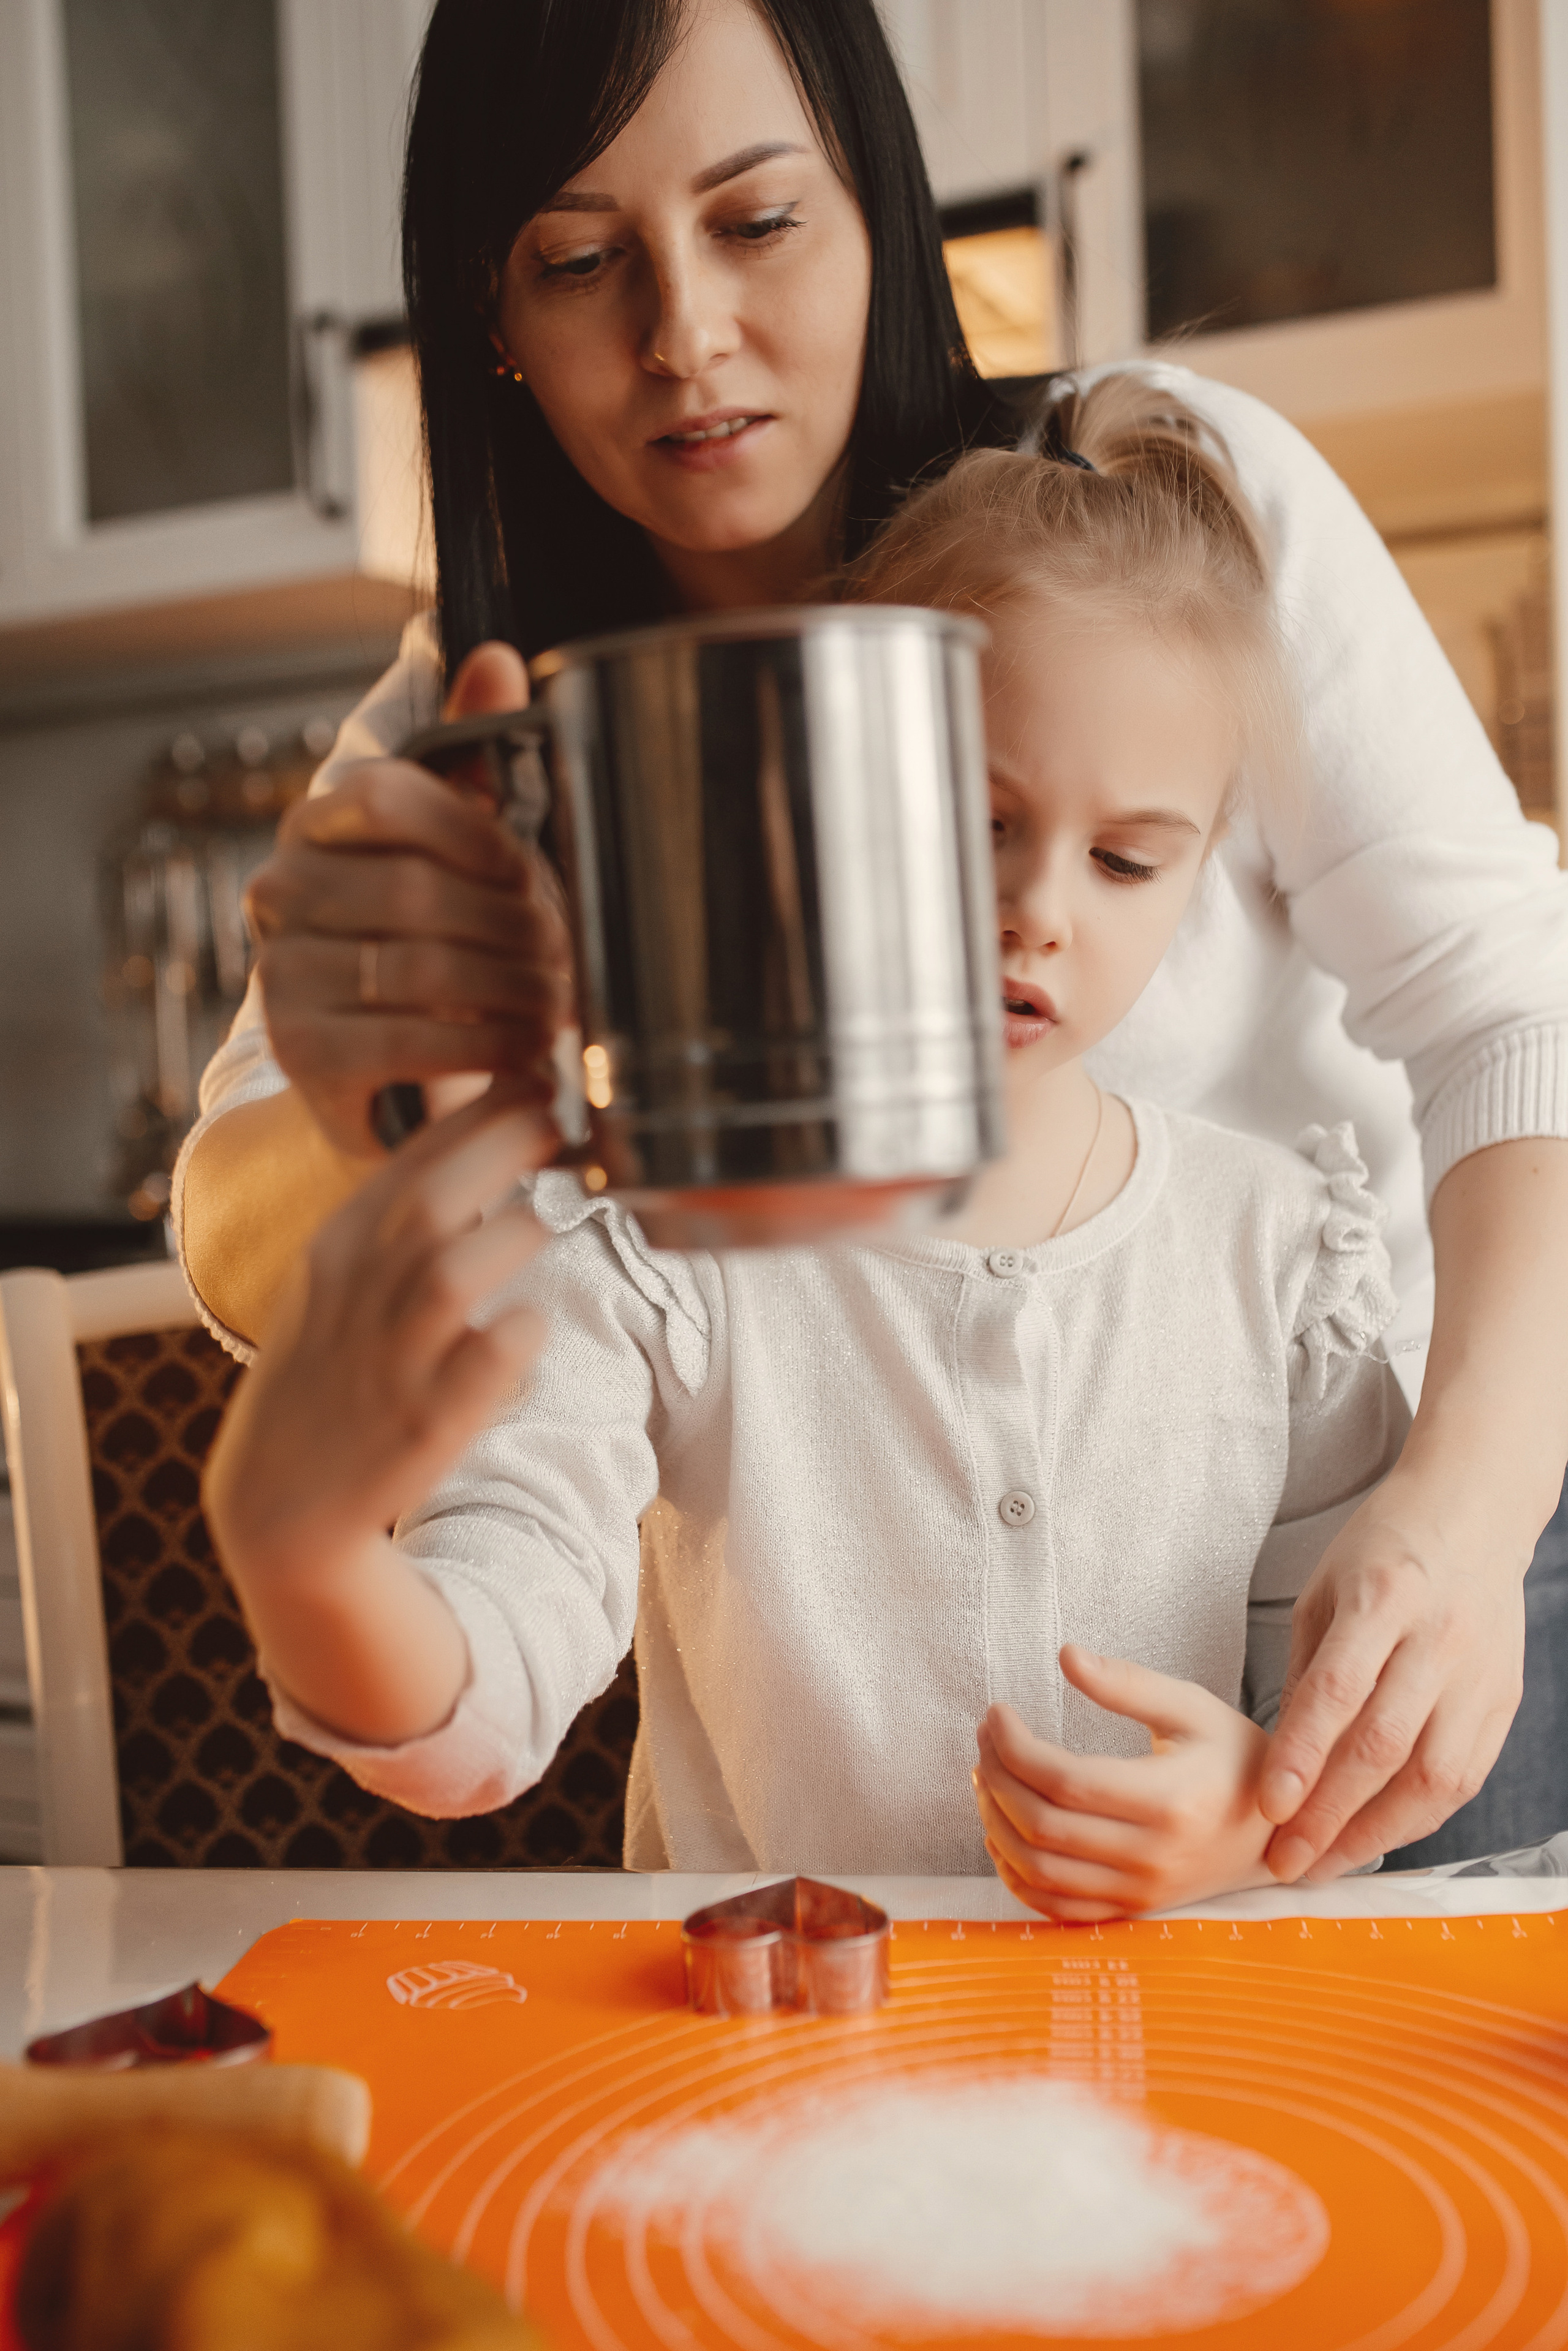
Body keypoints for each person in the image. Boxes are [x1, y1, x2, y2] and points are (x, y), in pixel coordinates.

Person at [176, 0, 1568, 1876]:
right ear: (491, 315)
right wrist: (402, 1109)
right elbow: (236, 1226)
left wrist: (1464, 1511)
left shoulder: (1163, 515)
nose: (686, 335)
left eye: (758, 222)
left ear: (880, 213)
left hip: (1394, 1550)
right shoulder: (488, 721)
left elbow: (1508, 996)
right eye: (579, 261)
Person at [206, 384, 1411, 1917]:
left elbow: (1350, 1716)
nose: (1039, 910)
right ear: (826, 811)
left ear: (1202, 865)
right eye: (977, 822)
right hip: (767, 2031)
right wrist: (312, 1564)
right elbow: (488, 1681)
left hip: (1174, 2037)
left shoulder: (1279, 1250)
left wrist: (1247, 1817)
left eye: (1124, 858)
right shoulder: (663, 1241)